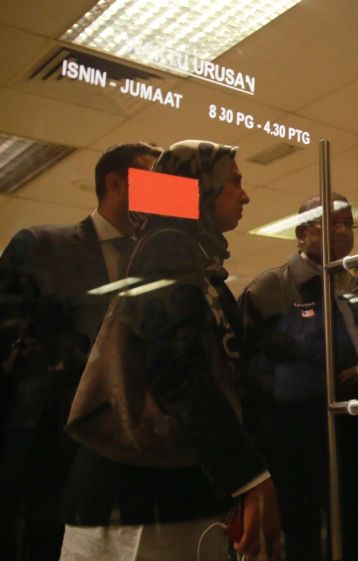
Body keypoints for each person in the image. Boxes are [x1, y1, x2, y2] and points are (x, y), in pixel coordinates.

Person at [58, 140, 281, 561]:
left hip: (162, 499)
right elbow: (177, 366)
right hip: (139, 508)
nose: (245, 195)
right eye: (234, 181)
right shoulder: (168, 244)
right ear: (199, 188)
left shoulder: (199, 265)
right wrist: (250, 475)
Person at [0, 142, 161, 561]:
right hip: (44, 446)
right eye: (158, 182)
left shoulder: (158, 266)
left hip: (130, 449)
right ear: (115, 183)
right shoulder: (39, 245)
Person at [238, 194, 358, 561]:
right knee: (305, 542)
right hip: (297, 450)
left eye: (349, 223)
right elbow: (251, 385)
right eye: (331, 223)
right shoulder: (269, 290)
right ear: (301, 233)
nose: (343, 231)